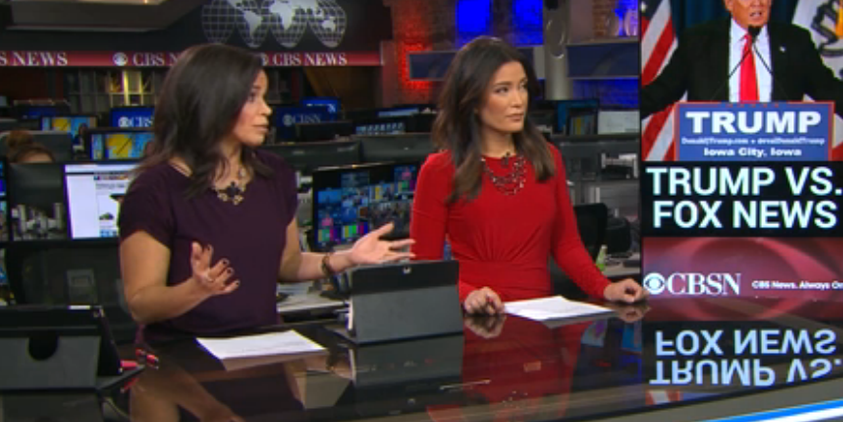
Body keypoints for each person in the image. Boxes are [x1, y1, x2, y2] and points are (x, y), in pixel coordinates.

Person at [118, 44, 413, 342]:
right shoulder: (154, 191)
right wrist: (194, 291)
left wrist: (346, 258)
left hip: (263, 346)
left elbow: (288, 264)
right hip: (186, 357)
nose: (267, 110)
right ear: (213, 102)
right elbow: (141, 304)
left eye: (264, 97)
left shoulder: (273, 174)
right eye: (251, 97)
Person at [410, 37, 646, 315]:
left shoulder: (546, 158)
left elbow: (566, 244)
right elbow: (424, 267)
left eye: (522, 87)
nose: (518, 101)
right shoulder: (440, 170)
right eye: (503, 90)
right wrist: (468, 295)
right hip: (478, 319)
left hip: (541, 317)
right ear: (472, 100)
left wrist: (605, 288)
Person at [639, 0, 843, 121]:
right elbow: (661, 92)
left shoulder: (795, 41)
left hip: (779, 151)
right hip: (714, 152)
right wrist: (627, 115)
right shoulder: (698, 41)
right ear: (729, 2)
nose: (757, 3)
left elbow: (830, 91)